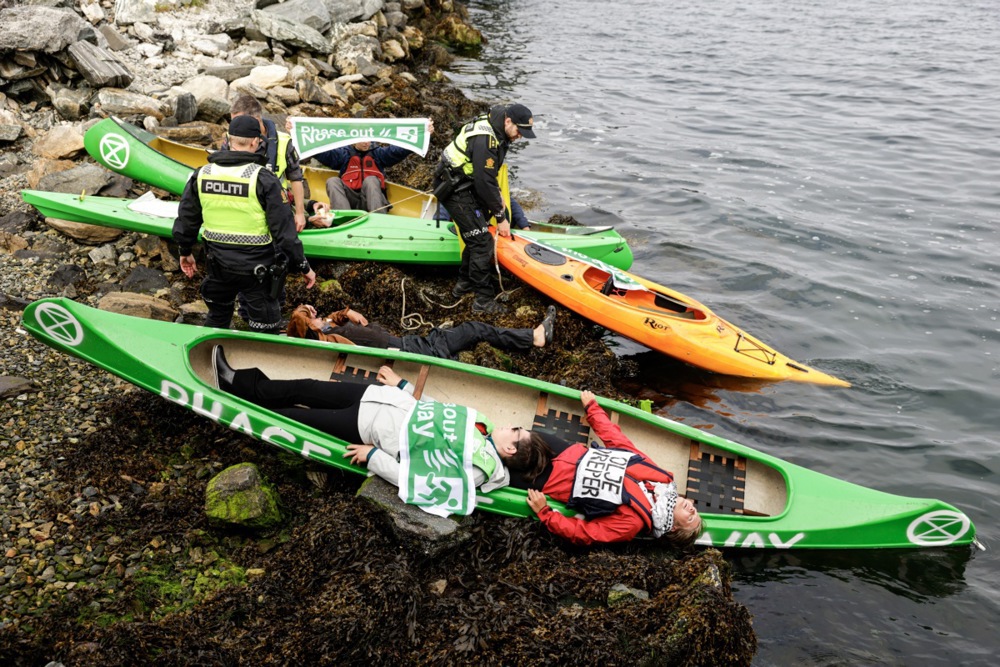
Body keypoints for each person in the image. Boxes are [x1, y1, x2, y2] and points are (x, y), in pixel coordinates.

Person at [212, 348, 552, 497]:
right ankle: (238, 383)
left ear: (509, 447)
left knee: (295, 417)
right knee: (305, 388)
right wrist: (402, 386)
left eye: (517, 430)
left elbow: (417, 480)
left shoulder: (476, 469)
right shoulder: (481, 425)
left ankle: (236, 402)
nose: (511, 425)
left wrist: (374, 458)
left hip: (367, 427)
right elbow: (437, 409)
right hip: (379, 398)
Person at [173, 115, 317, 334]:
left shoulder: (201, 174)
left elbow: (187, 219)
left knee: (217, 319)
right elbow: (284, 233)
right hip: (256, 273)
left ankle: (207, 357)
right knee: (265, 330)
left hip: (218, 267)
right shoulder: (263, 179)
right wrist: (303, 266)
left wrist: (185, 251)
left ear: (230, 139)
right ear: (254, 142)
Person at [524, 391, 704, 548]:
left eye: (689, 518)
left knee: (508, 452)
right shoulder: (661, 481)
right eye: (694, 511)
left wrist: (545, 513)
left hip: (551, 479)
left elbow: (586, 534)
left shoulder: (631, 524)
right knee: (522, 435)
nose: (691, 508)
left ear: (673, 526)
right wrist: (592, 409)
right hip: (570, 451)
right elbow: (620, 443)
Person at [433, 103, 536, 314]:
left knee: (476, 233)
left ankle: (464, 284)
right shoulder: (486, 139)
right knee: (481, 241)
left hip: (466, 182)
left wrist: (500, 205)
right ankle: (483, 300)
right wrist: (501, 218)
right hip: (453, 187)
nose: (520, 137)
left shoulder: (499, 130)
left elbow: (487, 177)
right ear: (508, 121)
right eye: (519, 131)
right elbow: (484, 181)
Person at [286, 303, 556, 360]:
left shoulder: (329, 329)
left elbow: (338, 321)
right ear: (311, 328)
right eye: (316, 317)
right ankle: (533, 337)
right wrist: (336, 318)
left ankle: (529, 337)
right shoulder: (331, 340)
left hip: (413, 342)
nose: (322, 317)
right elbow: (331, 329)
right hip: (417, 350)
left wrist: (344, 313)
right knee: (475, 329)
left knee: (458, 330)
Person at [221, 95, 315, 232]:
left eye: (238, 121)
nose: (234, 127)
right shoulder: (231, 137)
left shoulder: (284, 141)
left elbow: (296, 178)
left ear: (257, 119)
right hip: (240, 200)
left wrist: (300, 213)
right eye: (232, 121)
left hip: (276, 203)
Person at [312, 122, 432, 214]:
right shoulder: (344, 155)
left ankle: (379, 220)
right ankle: (344, 217)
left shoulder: (378, 154)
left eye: (368, 138)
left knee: (371, 180)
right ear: (353, 139)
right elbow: (323, 153)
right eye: (362, 139)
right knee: (332, 181)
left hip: (372, 202)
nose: (366, 143)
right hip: (350, 202)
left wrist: (423, 134)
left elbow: (399, 150)